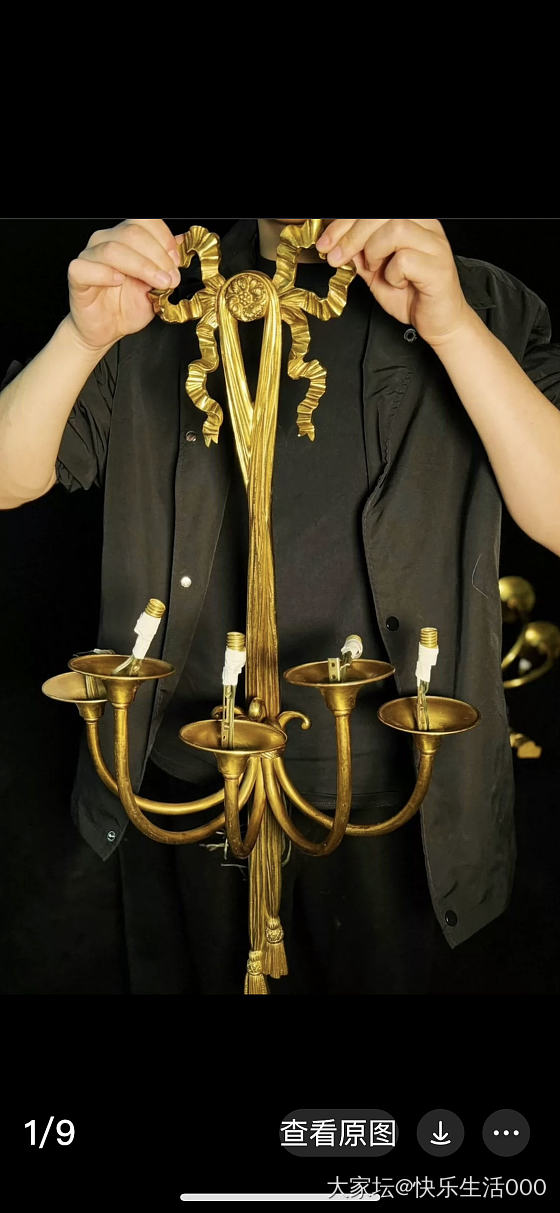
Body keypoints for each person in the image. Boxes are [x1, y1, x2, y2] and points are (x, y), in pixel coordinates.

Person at [1, 217, 560, 997]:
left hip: (405, 799)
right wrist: (80, 338)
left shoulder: (482, 301)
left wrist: (455, 328)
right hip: (185, 780)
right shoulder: (162, 289)